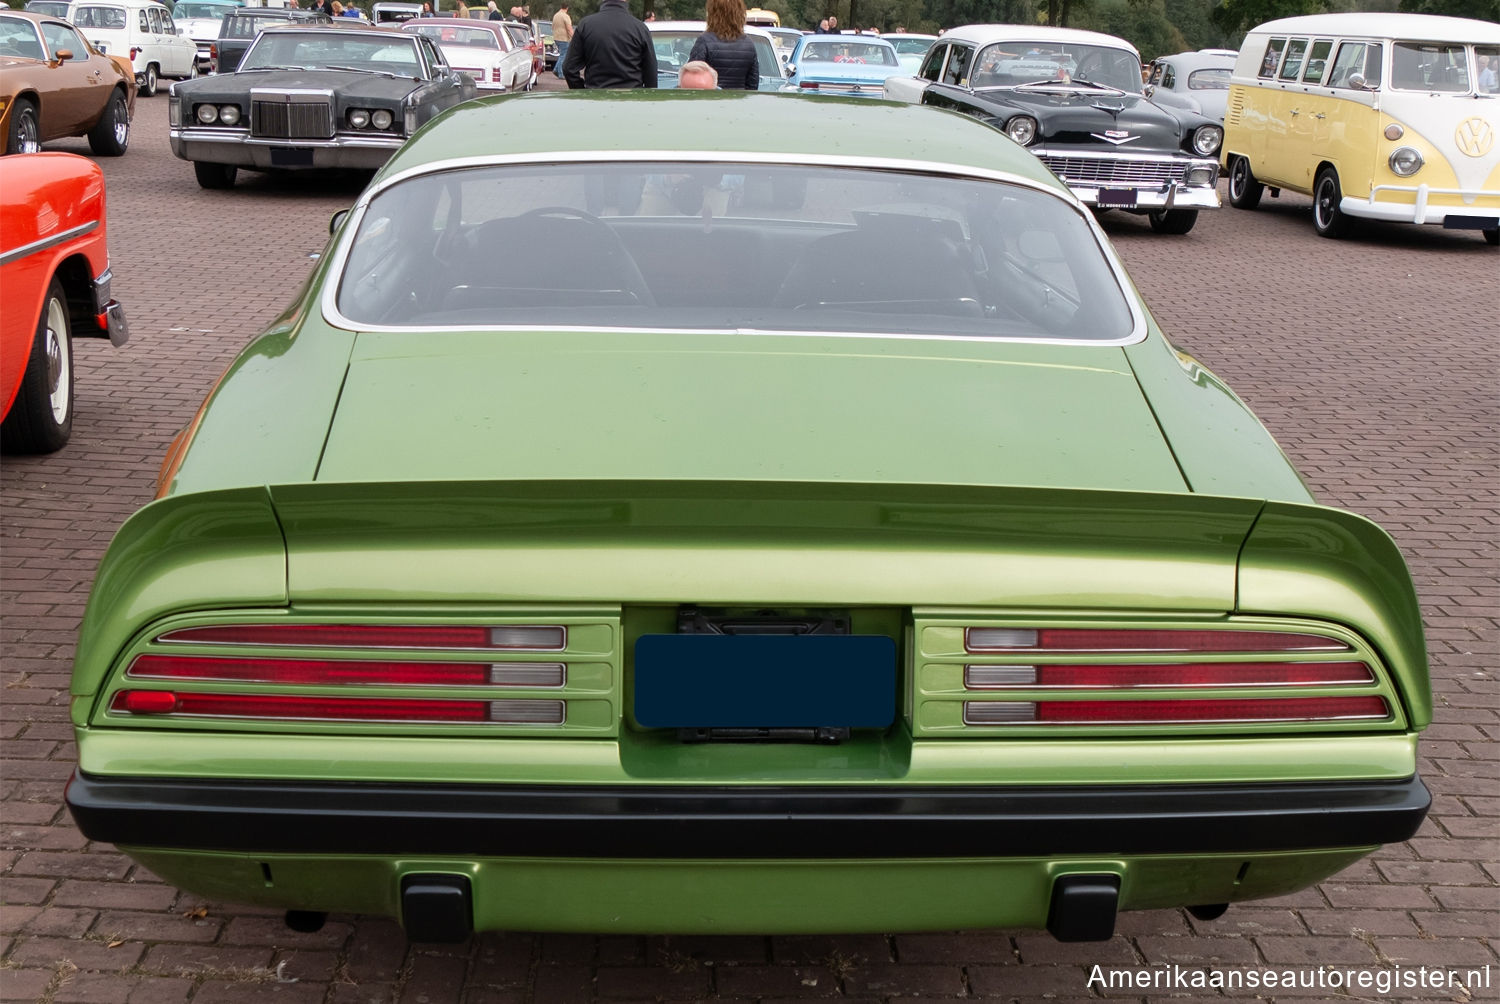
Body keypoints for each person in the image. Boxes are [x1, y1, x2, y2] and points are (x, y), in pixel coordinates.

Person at [562, 0, 656, 88]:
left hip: (595, 100)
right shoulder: (640, 29)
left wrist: (582, 92)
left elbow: (569, 68)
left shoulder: (586, 25)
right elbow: (651, 76)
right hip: (631, 100)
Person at [688, 0, 758, 90]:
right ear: (739, 14)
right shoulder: (749, 45)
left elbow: (692, 81)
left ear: (712, 13)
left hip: (711, 100)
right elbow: (752, 86)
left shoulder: (704, 41)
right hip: (739, 101)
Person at [551, 1, 572, 77]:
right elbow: (569, 28)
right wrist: (573, 37)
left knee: (561, 55)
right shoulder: (565, 16)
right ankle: (560, 73)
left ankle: (556, 70)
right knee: (564, 55)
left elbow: (552, 27)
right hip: (564, 38)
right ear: (567, 8)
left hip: (556, 37)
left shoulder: (556, 15)